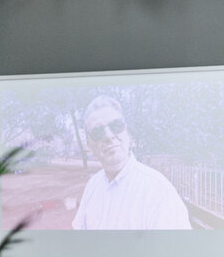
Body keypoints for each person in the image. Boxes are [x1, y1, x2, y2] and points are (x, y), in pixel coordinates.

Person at [72, 94, 191, 230]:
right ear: (89, 146)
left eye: (116, 126)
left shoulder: (158, 191)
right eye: (97, 132)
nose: (109, 135)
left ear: (127, 133)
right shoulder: (93, 186)